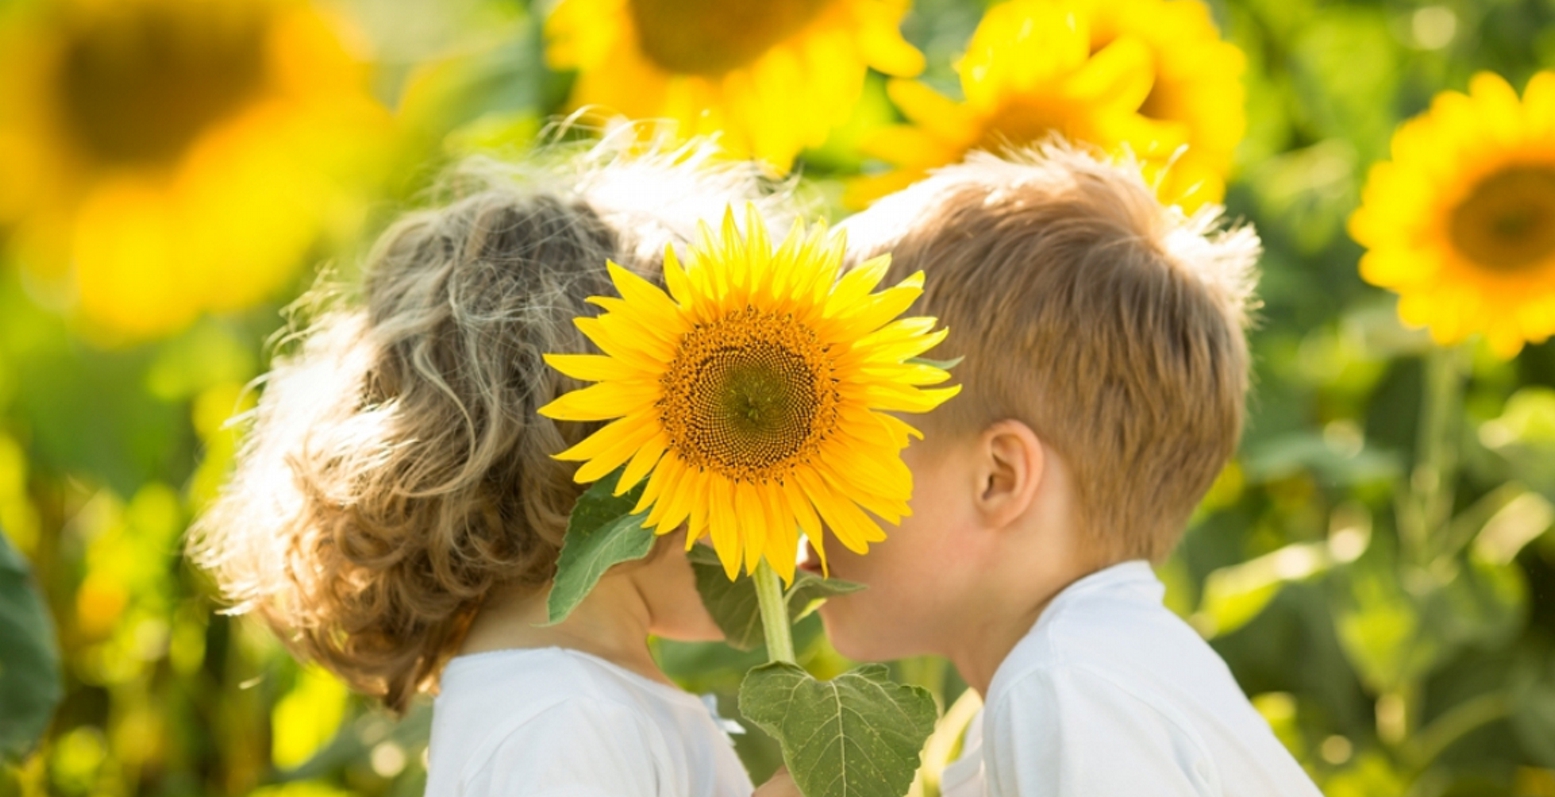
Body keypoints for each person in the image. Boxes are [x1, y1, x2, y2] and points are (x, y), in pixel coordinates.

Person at [189, 135, 797, 796]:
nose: (778, 488)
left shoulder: (572, 694)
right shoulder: (558, 713)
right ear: (623, 452)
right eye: (738, 430)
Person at [811, 142, 1323, 796]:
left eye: (837, 440)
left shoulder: (1066, 685)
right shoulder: (1097, 669)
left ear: (997, 478)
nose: (799, 480)